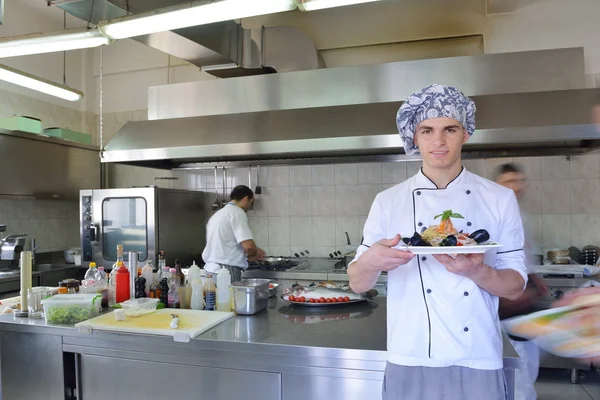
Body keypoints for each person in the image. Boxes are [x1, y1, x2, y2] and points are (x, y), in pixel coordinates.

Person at [348, 84, 528, 400]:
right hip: (410, 354)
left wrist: (477, 272)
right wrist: (372, 261)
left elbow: (515, 286)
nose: (439, 140)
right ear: (414, 137)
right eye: (427, 130)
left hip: (478, 357)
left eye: (450, 129)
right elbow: (358, 283)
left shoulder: (499, 199)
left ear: (466, 134)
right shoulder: (388, 202)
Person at [495, 162, 548, 400]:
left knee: (528, 368)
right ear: (497, 186)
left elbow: (520, 256)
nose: (516, 187)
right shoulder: (495, 216)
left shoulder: (519, 214)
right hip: (508, 308)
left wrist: (534, 277)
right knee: (520, 375)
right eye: (509, 182)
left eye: (519, 181)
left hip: (523, 307)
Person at [202, 185, 266, 282]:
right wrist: (254, 253)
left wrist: (254, 250)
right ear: (245, 199)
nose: (249, 207)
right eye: (250, 203)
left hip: (210, 271)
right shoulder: (237, 213)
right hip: (226, 272)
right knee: (231, 298)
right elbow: (248, 246)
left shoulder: (217, 215)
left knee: (212, 297)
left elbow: (227, 243)